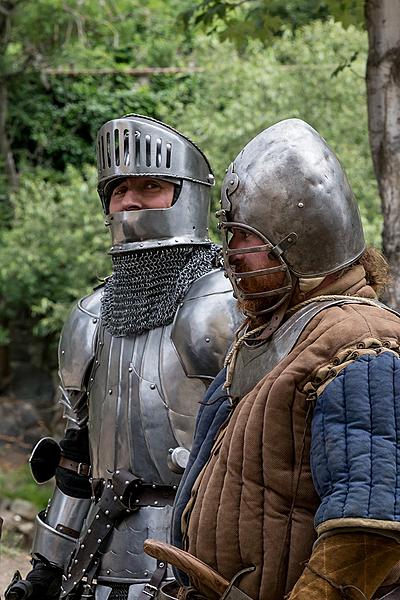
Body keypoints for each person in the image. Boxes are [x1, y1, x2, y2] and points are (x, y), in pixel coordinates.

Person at [145, 118, 400, 600]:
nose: (232, 254)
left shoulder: (361, 342)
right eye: (230, 236)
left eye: (246, 238)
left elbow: (370, 523)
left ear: (299, 240)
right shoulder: (273, 333)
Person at [6, 114, 241, 600]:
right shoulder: (89, 317)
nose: (131, 201)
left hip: (202, 563)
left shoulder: (227, 305)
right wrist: (46, 567)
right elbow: (76, 459)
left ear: (187, 195)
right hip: (95, 562)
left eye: (151, 185)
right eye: (119, 189)